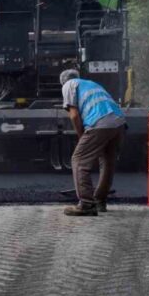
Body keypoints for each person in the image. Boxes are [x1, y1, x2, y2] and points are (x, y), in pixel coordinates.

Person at [60, 69, 126, 217]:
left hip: (99, 122)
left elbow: (74, 115)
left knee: (79, 160)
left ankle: (86, 204)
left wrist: (81, 136)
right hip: (119, 123)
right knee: (107, 162)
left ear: (63, 82)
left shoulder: (68, 85)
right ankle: (99, 201)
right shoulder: (92, 84)